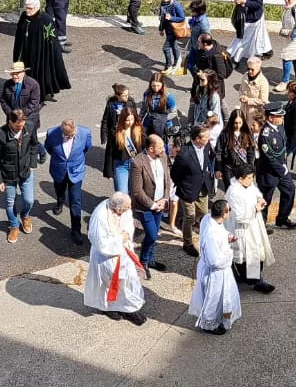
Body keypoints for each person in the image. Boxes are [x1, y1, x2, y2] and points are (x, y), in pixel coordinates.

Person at [84, 191, 146, 325]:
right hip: (106, 257)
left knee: (128, 280)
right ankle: (108, 308)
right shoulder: (100, 216)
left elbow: (128, 224)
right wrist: (120, 239)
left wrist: (126, 235)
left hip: (123, 252)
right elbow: (100, 242)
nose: (128, 210)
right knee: (107, 283)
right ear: (117, 208)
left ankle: (129, 309)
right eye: (125, 208)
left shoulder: (125, 209)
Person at [188, 199, 241, 335]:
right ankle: (209, 324)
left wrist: (228, 237)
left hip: (221, 272)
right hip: (215, 274)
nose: (230, 212)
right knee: (214, 299)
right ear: (223, 214)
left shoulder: (208, 218)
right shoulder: (212, 235)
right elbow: (214, 261)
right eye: (229, 210)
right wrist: (229, 255)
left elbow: (221, 232)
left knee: (226, 296)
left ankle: (222, 318)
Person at [0, 108, 43, 242]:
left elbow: (34, 145)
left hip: (25, 171)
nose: (21, 127)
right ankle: (13, 225)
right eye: (18, 125)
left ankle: (25, 215)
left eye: (23, 124)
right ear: (10, 122)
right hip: (8, 175)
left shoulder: (29, 127)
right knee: (9, 202)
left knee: (29, 200)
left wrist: (32, 163)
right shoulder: (0, 135)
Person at [225, 169, 277, 294]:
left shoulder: (249, 185)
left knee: (255, 251)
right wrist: (255, 209)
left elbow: (256, 193)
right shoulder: (233, 192)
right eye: (248, 178)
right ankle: (254, 281)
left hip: (254, 224)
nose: (251, 180)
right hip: (242, 228)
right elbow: (239, 216)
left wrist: (260, 200)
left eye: (252, 177)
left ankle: (254, 279)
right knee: (246, 254)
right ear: (240, 179)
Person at [128, 133, 173, 275]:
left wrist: (165, 199)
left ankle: (151, 260)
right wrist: (153, 205)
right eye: (160, 148)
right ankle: (143, 261)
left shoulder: (163, 157)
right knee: (152, 235)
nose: (163, 150)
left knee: (155, 233)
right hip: (145, 207)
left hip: (161, 202)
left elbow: (167, 179)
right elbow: (137, 191)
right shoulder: (138, 162)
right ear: (151, 149)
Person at [12, 0, 70, 100]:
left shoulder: (45, 19)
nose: (27, 10)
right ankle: (26, 91)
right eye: (27, 8)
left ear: (37, 7)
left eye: (30, 8)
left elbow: (51, 40)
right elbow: (20, 32)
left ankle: (38, 94)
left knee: (39, 73)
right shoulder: (24, 16)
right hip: (26, 52)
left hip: (40, 53)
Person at [44, 117, 91, 245]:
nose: (70, 137)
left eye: (72, 134)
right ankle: (60, 202)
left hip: (76, 171)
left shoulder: (85, 132)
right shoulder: (51, 133)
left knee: (75, 200)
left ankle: (76, 231)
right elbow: (48, 148)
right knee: (59, 190)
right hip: (58, 170)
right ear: (62, 132)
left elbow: (86, 148)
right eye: (67, 135)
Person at [173, 125, 217, 257]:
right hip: (187, 190)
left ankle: (188, 224)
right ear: (197, 139)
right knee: (190, 216)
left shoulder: (206, 146)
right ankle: (187, 243)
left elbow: (210, 159)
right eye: (206, 137)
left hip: (202, 187)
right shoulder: (184, 154)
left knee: (203, 213)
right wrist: (184, 185)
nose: (209, 139)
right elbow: (174, 173)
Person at [258, 104, 296, 229]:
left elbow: (283, 146)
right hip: (269, 172)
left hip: (281, 168)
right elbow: (269, 157)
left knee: (290, 190)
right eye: (278, 116)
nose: (281, 118)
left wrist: (283, 166)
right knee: (266, 199)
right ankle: (261, 225)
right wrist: (282, 169)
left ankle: (282, 218)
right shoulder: (265, 135)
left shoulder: (279, 127)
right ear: (270, 118)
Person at [104, 91, 143, 194]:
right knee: (122, 192)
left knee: (134, 191)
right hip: (121, 165)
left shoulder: (140, 130)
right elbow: (110, 153)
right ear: (122, 120)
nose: (130, 123)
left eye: (132, 119)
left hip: (136, 164)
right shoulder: (115, 133)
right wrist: (109, 172)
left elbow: (145, 148)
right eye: (127, 120)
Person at [218, 108, 257, 188]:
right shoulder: (225, 134)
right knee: (231, 192)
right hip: (229, 167)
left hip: (244, 167)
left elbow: (251, 153)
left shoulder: (247, 134)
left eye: (240, 123)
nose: (238, 126)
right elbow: (218, 151)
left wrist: (251, 169)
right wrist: (218, 168)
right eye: (235, 123)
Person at [0, 60, 43, 129]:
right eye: (12, 74)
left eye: (17, 74)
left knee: (29, 139)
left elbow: (34, 102)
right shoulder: (7, 84)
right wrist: (11, 114)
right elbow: (3, 100)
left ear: (23, 73)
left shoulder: (33, 84)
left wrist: (21, 115)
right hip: (12, 118)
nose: (14, 76)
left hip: (28, 118)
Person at [156, 0, 187, 75]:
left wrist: (171, 18)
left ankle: (168, 66)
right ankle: (177, 64)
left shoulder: (176, 5)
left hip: (175, 30)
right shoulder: (162, 4)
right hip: (167, 30)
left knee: (165, 48)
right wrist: (161, 29)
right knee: (174, 46)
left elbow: (182, 18)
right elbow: (162, 18)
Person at [142, 73, 179, 144]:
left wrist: (160, 119)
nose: (156, 88)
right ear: (150, 84)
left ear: (162, 84)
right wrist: (139, 121)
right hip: (149, 122)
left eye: (158, 86)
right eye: (153, 86)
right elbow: (143, 108)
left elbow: (174, 113)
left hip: (163, 125)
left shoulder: (169, 97)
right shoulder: (146, 94)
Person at [184, 0, 212, 77]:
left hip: (200, 49)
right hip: (194, 46)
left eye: (192, 10)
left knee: (199, 68)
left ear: (199, 11)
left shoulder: (203, 23)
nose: (190, 11)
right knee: (190, 65)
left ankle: (201, 82)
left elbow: (207, 37)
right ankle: (198, 81)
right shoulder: (195, 19)